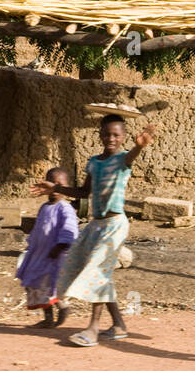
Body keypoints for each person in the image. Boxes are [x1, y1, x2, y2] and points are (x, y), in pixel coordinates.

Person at [30, 115, 157, 347]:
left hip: (115, 225)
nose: (111, 138)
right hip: (96, 225)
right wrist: (56, 188)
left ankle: (93, 328)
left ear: (124, 137)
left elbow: (131, 156)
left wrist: (139, 147)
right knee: (89, 270)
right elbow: (82, 193)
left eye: (116, 135)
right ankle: (119, 325)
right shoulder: (94, 163)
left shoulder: (122, 160)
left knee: (96, 271)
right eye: (107, 134)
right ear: (100, 135)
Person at [16, 167, 79, 328]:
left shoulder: (65, 208)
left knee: (51, 286)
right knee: (36, 284)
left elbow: (70, 229)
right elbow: (38, 229)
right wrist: (31, 244)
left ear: (66, 187)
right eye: (52, 183)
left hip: (55, 257)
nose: (55, 189)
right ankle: (48, 318)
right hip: (39, 255)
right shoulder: (44, 208)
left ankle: (63, 308)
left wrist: (61, 246)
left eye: (60, 185)